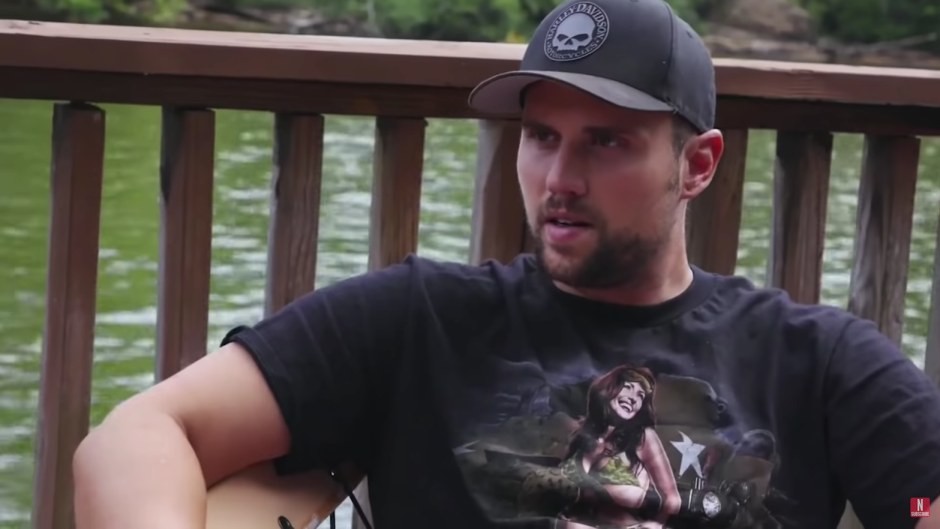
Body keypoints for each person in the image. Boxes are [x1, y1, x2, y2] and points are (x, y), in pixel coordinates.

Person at [72, 0, 940, 527]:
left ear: (698, 164)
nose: (559, 179)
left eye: (606, 142)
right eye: (540, 137)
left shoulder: (817, 360)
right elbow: (135, 438)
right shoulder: (421, 318)